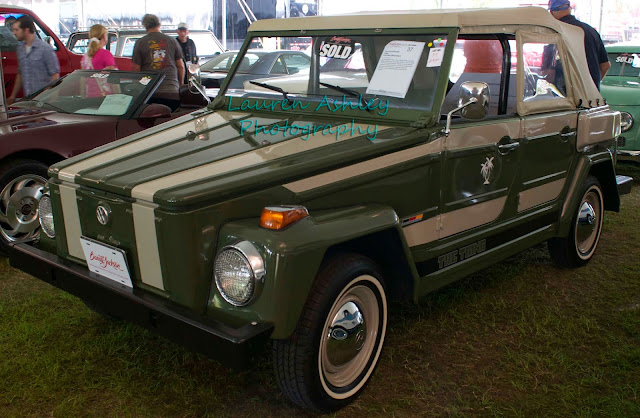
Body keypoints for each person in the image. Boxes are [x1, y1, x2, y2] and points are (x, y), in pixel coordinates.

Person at [548, 0, 610, 90]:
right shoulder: (591, 31)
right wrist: (591, 86)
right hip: (591, 99)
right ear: (570, 8)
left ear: (551, 13)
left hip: (565, 98)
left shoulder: (553, 33)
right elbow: (605, 65)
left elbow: (548, 73)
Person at [132, 14, 184, 111]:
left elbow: (136, 69)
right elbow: (180, 66)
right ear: (159, 24)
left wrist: (138, 89)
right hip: (172, 91)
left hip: (149, 92)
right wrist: (180, 85)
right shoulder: (172, 41)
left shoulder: (141, 42)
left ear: (145, 26)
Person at [7, 16, 60, 104]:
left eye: (17, 30)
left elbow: (55, 75)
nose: (14, 33)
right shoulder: (20, 50)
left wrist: (52, 99)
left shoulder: (45, 49)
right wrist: (13, 95)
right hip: (29, 100)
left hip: (43, 100)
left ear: (26, 30)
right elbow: (20, 74)